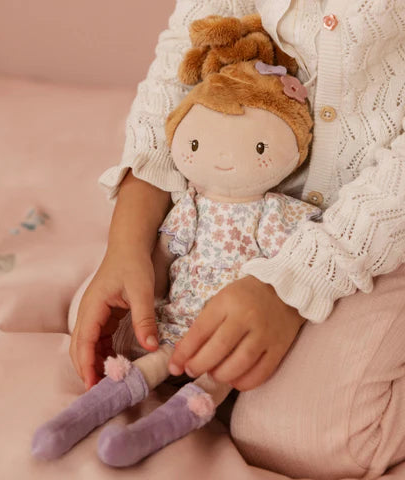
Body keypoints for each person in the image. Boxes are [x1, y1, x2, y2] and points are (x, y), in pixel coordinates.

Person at [68, 1, 405, 478]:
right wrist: (127, 241)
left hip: (384, 228)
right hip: (249, 198)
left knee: (304, 438)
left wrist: (291, 285)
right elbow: (184, 58)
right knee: (113, 332)